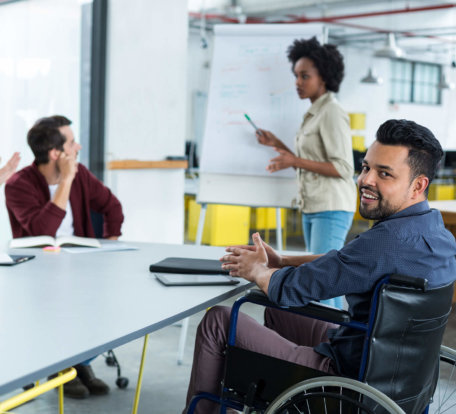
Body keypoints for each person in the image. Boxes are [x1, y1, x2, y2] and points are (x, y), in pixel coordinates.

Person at [184, 119, 456, 414]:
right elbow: (348, 261)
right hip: (397, 377)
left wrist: (257, 270)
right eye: (366, 167)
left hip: (347, 380)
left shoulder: (384, 242)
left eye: (384, 174)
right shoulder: (437, 232)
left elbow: (288, 289)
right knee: (278, 314)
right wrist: (283, 261)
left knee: (220, 320)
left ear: (418, 185)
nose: (366, 180)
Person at [5, 115, 124, 399]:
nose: (78, 146)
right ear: (55, 153)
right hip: (36, 274)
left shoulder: (80, 174)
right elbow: (43, 231)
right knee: (61, 304)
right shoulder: (18, 185)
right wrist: (66, 181)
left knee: (107, 307)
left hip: (80, 266)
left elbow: (113, 207)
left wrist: (109, 243)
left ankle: (78, 365)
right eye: (71, 143)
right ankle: (62, 368)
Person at [255, 37, 356, 308]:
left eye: (304, 76)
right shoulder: (314, 112)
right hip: (313, 206)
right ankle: (325, 341)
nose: (297, 82)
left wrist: (294, 161)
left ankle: (330, 343)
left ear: (323, 76)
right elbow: (307, 158)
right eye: (296, 76)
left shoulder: (331, 112)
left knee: (326, 281)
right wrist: (276, 143)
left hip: (331, 206)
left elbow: (344, 167)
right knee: (320, 277)